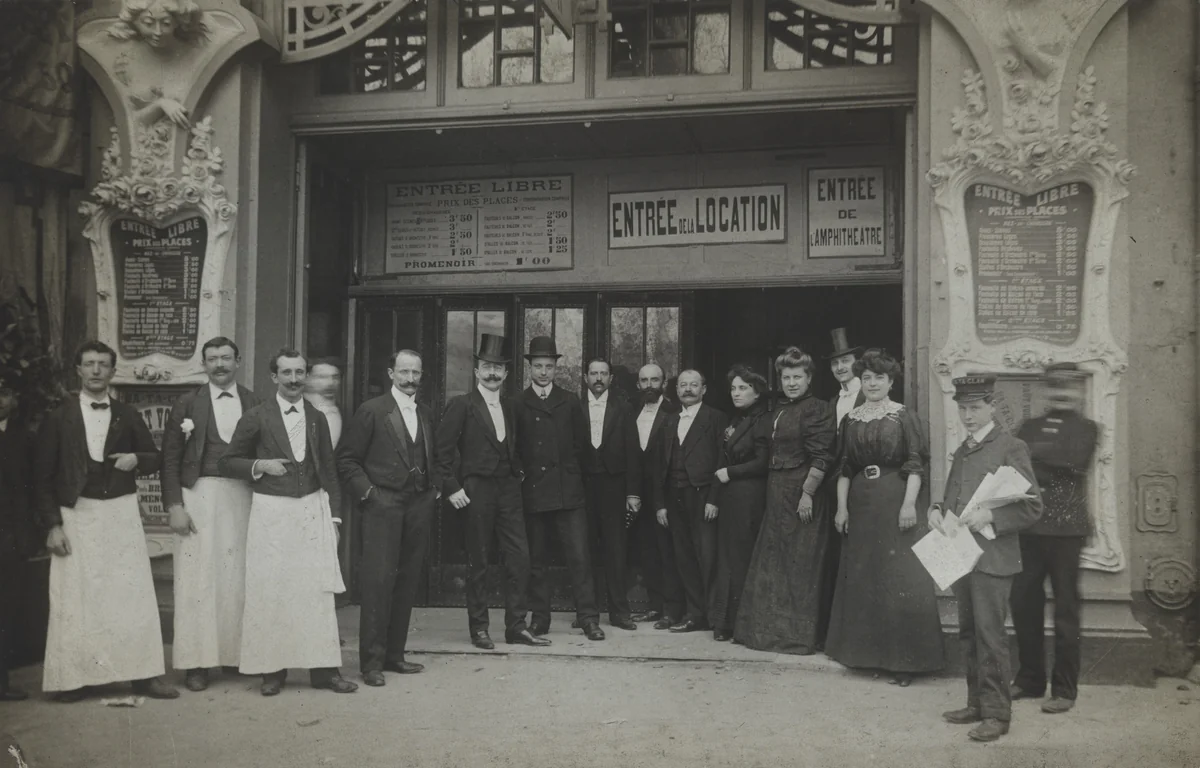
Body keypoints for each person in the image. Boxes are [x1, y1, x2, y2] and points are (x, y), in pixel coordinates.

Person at [35, 340, 177, 702]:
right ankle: (72, 679)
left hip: (120, 509)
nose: (96, 370)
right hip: (76, 512)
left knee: (130, 593)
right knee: (75, 594)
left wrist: (136, 458)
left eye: (103, 364)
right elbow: (42, 476)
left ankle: (143, 677)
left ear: (113, 372)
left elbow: (153, 457)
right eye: (89, 364)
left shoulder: (127, 414)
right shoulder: (58, 417)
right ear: (78, 370)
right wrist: (53, 525)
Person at [218, 348, 356, 696]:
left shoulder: (316, 418)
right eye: (287, 373)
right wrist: (260, 466)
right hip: (271, 513)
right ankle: (272, 672)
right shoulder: (257, 416)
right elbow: (228, 461)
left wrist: (335, 517)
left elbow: (329, 471)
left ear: (305, 376)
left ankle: (324, 673)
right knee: (271, 591)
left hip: (310, 509)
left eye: (300, 373)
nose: (294, 380)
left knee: (314, 593)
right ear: (274, 377)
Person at [931, 374, 1042, 742]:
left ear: (992, 406)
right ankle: (976, 703)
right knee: (968, 632)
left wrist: (992, 516)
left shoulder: (1011, 446)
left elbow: (1033, 508)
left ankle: (997, 714)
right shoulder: (964, 450)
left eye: (975, 408)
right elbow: (953, 497)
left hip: (994, 557)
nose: (968, 415)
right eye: (963, 408)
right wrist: (936, 509)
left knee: (991, 635)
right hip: (962, 553)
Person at [825, 349, 944, 685]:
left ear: (891, 381)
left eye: (879, 378)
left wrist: (909, 505)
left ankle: (904, 663)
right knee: (866, 578)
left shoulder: (904, 416)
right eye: (866, 378)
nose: (872, 383)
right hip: (861, 503)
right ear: (859, 382)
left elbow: (915, 462)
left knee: (898, 579)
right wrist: (841, 507)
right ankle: (868, 658)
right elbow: (845, 467)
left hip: (896, 499)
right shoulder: (851, 419)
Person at [434, 334, 547, 650]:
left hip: (509, 491)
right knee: (479, 561)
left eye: (498, 368)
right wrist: (452, 487)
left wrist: (519, 473)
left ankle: (516, 627)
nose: (493, 373)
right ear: (476, 371)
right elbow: (441, 455)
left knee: (519, 559)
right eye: (487, 367)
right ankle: (479, 629)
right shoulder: (461, 405)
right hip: (477, 491)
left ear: (507, 373)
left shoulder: (511, 407)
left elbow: (517, 448)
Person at [160, 336, 259, 692]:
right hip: (198, 494)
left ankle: (235, 656)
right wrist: (174, 506)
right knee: (197, 579)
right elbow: (169, 459)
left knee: (237, 577)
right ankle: (197, 663)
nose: (219, 365)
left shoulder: (254, 400)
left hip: (242, 495)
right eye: (213, 359)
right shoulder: (187, 403)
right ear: (204, 364)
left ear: (238, 361)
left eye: (226, 358)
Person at [337, 349, 439, 686]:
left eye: (416, 373)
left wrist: (431, 491)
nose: (411, 379)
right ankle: (371, 664)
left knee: (406, 581)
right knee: (378, 583)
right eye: (404, 372)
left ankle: (395, 656)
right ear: (391, 373)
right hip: (383, 505)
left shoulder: (426, 412)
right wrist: (370, 495)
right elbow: (347, 461)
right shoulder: (372, 411)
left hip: (416, 506)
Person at [735, 347, 836, 655]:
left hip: (801, 491)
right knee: (775, 559)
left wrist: (807, 493)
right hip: (777, 490)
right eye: (786, 377)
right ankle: (770, 634)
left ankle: (798, 637)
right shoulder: (781, 409)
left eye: (798, 377)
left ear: (809, 379)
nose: (792, 383)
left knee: (800, 563)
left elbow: (822, 455)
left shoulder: (817, 409)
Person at [1011, 362, 1099, 714]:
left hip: (1066, 531)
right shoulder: (1027, 426)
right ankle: (1031, 680)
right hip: (1030, 527)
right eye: (1055, 386)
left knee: (1065, 610)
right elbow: (1017, 463)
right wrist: (1044, 454)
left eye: (1070, 386)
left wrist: (1037, 453)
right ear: (1046, 390)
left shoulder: (1089, 429)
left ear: (1080, 391)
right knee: (1022, 604)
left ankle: (1065, 689)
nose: (1062, 392)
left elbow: (1074, 459)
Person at [515, 337, 604, 641]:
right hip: (535, 493)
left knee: (580, 557)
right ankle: (540, 620)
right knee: (537, 561)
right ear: (530, 368)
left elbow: (582, 446)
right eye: (538, 366)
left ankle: (589, 619)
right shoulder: (517, 402)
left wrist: (574, 479)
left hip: (569, 493)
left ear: (556, 368)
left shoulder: (569, 401)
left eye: (549, 366)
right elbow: (514, 449)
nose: (543, 372)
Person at [653, 369, 729, 633]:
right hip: (674, 497)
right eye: (683, 385)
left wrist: (714, 499)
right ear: (676, 391)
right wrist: (660, 503)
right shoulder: (668, 421)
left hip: (702, 497)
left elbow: (723, 460)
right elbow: (658, 466)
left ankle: (710, 616)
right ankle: (691, 613)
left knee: (706, 557)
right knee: (682, 558)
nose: (688, 389)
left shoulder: (716, 419)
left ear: (704, 389)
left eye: (693, 385)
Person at [708, 365, 770, 642]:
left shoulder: (763, 420)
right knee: (728, 558)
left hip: (750, 496)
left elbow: (763, 461)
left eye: (743, 388)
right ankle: (724, 622)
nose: (736, 392)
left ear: (757, 392)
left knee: (742, 557)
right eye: (733, 388)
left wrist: (731, 473)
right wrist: (714, 498)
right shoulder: (735, 420)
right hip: (732, 496)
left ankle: (741, 624)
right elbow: (722, 460)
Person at [580, 358, 640, 631]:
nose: (599, 378)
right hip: (582, 488)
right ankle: (587, 614)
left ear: (611, 379)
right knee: (585, 550)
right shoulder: (574, 407)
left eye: (603, 374)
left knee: (616, 550)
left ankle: (619, 612)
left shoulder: (624, 409)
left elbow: (632, 453)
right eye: (594, 373)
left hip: (614, 487)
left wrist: (632, 493)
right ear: (585, 378)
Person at [818, 328, 866, 649]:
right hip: (836, 484)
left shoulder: (872, 394)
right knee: (836, 559)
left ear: (857, 363)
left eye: (845, 361)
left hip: (864, 485)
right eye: (835, 363)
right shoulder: (832, 401)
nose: (839, 368)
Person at [628, 363, 683, 629]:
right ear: (638, 384)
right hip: (638, 494)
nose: (649, 385)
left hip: (665, 493)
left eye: (654, 380)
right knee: (647, 550)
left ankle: (672, 610)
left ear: (663, 383)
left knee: (667, 551)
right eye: (644, 380)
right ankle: (654, 605)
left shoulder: (674, 411)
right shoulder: (630, 410)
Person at [0, 369, 34, 701]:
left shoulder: (23, 437)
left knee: (5, 607)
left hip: (8, 536)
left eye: (4, 392)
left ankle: (1, 683)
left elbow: (32, 488)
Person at [305, 359, 344, 449]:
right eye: (322, 377)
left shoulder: (344, 414)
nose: (330, 383)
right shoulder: (295, 410)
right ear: (308, 379)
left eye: (335, 377)